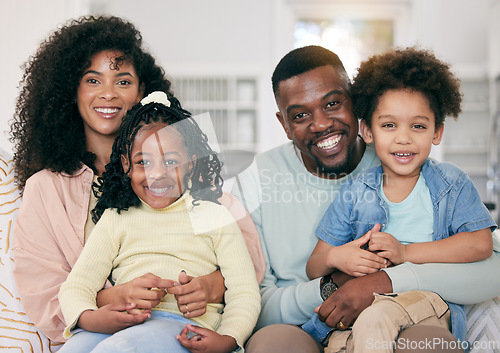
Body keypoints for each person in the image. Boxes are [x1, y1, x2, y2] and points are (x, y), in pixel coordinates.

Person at [10, 15, 264, 344]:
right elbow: (45, 297)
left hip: (176, 328)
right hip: (93, 333)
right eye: (92, 80)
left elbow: (249, 267)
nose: (108, 94)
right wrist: (114, 298)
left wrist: (206, 287)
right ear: (70, 90)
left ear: (142, 91)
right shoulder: (46, 188)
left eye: (123, 81)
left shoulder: (189, 178)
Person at [232, 45, 500, 353]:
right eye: (301, 114)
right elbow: (252, 302)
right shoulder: (256, 182)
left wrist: (383, 281)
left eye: (332, 103)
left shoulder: (419, 170)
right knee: (272, 346)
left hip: (409, 315)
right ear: (284, 124)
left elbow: (489, 264)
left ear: (355, 103)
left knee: (426, 344)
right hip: (318, 325)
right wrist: (332, 288)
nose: (320, 124)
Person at [57, 92, 260, 353]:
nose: (157, 174)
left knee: (120, 349)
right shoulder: (115, 218)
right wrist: (90, 317)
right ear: (126, 164)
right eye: (143, 162)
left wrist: (228, 339)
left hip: (183, 328)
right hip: (122, 325)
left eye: (171, 161)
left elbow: (244, 291)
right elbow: (77, 285)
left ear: (191, 164)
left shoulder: (214, 216)